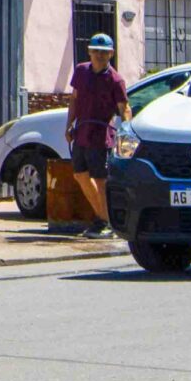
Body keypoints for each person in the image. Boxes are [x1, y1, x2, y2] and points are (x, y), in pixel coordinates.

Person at [66, 32, 128, 234]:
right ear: (89, 52)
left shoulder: (115, 80)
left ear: (111, 54)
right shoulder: (81, 71)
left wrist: (128, 133)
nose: (99, 55)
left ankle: (105, 222)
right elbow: (74, 99)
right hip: (82, 131)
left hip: (101, 135)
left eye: (104, 52)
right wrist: (69, 124)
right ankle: (101, 217)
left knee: (100, 179)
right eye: (95, 51)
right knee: (79, 174)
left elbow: (124, 108)